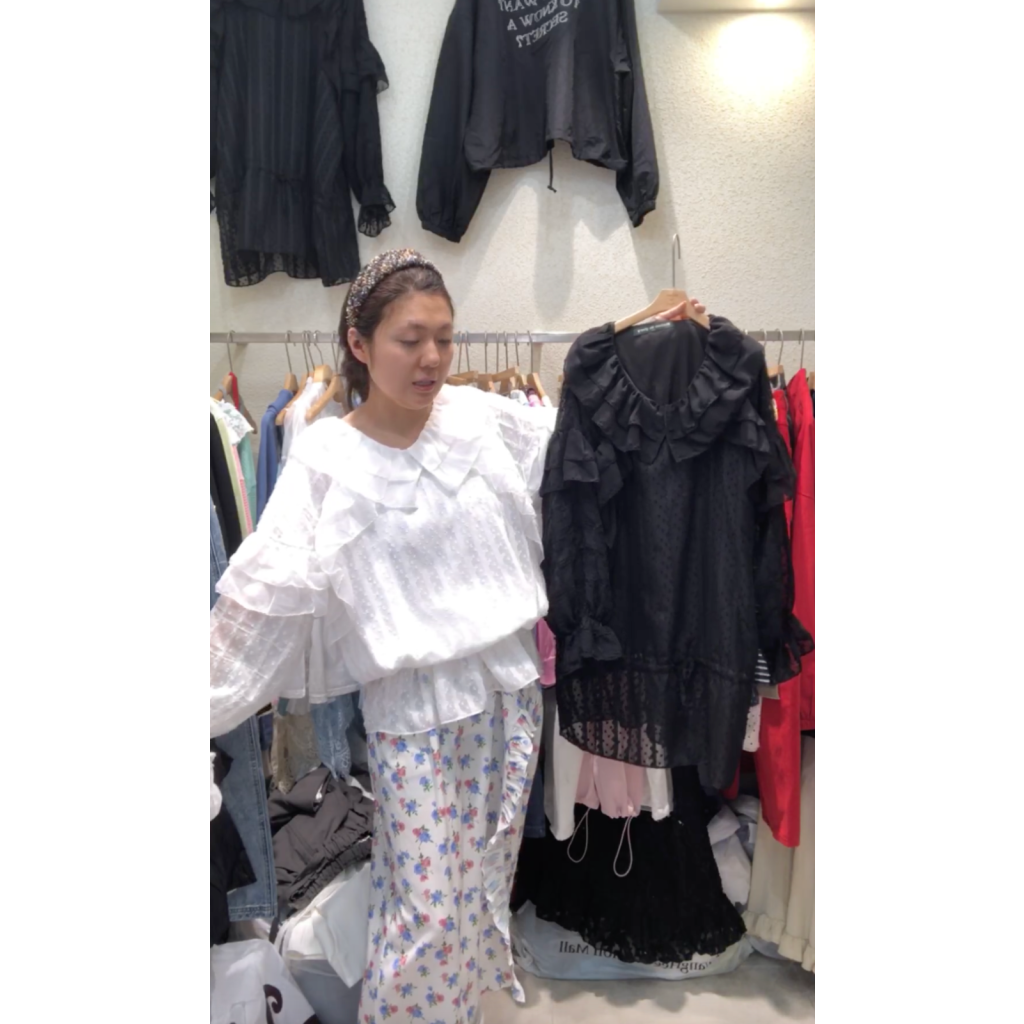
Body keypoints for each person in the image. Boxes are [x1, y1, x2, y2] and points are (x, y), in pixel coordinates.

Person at [210, 248, 707, 1024]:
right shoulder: (328, 456)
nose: (433, 358)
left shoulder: (481, 420)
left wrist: (648, 333)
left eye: (444, 337)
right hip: (409, 713)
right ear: (359, 343)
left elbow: (586, 430)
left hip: (508, 696)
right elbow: (264, 599)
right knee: (424, 908)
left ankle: (459, 1011)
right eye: (410, 339)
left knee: (482, 883)